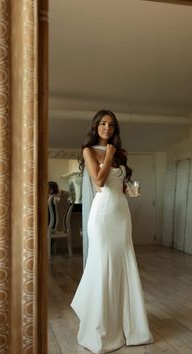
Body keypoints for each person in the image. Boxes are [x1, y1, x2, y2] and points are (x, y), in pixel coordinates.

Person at [71, 110, 153, 353]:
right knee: (104, 263)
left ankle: (129, 326)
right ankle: (102, 328)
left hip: (121, 213)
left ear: (115, 129)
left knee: (124, 264)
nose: (107, 128)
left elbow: (119, 185)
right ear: (96, 126)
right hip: (103, 215)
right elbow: (99, 181)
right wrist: (108, 155)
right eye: (103, 123)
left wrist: (129, 189)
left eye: (112, 125)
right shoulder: (89, 151)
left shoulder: (120, 154)